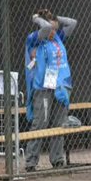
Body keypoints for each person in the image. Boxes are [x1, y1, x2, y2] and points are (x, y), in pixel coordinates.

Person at [24, 9, 77, 172]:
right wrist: (38, 19)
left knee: (58, 125)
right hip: (43, 87)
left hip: (60, 86)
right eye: (51, 28)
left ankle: (57, 160)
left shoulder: (58, 38)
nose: (53, 32)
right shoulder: (35, 39)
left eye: (55, 28)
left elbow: (72, 22)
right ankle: (31, 162)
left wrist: (56, 18)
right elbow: (45, 29)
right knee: (41, 123)